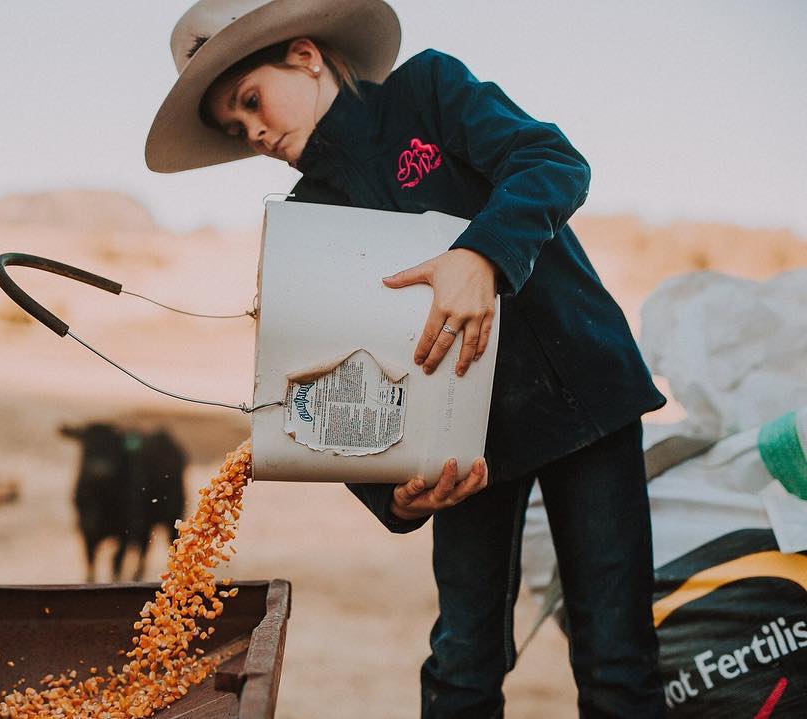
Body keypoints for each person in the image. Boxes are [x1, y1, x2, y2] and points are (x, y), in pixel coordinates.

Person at [145, 1, 668, 716]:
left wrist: (481, 254)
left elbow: (551, 161)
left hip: (584, 391)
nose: (256, 132)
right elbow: (331, 383)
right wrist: (389, 494)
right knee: (462, 661)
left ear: (305, 54)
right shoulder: (308, 218)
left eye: (251, 101)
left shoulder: (428, 91)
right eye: (238, 129)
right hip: (459, 453)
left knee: (616, 658)